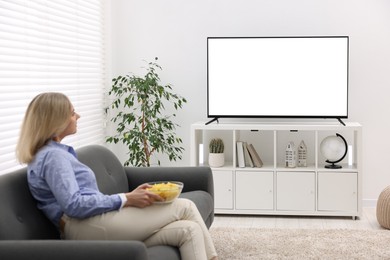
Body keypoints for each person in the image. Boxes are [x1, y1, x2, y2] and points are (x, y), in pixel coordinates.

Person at [16, 92, 218, 260]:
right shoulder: (53, 157)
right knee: (185, 206)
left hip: (90, 224)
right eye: (71, 113)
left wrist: (127, 198)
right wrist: (126, 199)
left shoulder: (52, 154)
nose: (78, 116)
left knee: (188, 230)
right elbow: (74, 205)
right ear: (55, 121)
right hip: (84, 226)